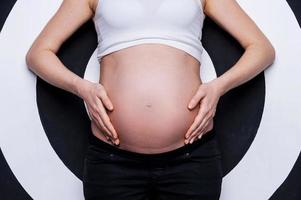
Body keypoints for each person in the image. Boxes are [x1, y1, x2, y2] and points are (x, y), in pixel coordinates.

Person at [25, 0, 275, 199]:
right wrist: (82, 88)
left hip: (191, 158)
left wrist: (219, 87)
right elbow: (38, 54)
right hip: (113, 161)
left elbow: (262, 48)